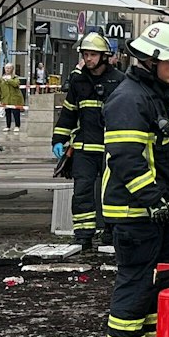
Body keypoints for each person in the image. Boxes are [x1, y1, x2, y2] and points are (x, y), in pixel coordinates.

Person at [101, 22, 169, 337]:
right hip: (134, 211)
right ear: (152, 60)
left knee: (156, 281)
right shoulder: (130, 99)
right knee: (137, 279)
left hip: (150, 211)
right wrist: (153, 199)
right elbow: (128, 159)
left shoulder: (150, 96)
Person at [54, 33, 127, 251]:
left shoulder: (120, 80)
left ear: (104, 56)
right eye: (86, 55)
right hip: (84, 147)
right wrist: (59, 138)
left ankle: (111, 231)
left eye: (93, 55)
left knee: (112, 191)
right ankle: (83, 235)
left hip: (110, 147)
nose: (88, 59)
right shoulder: (78, 80)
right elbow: (69, 113)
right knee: (83, 191)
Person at [0, 65, 24, 131]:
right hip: (5, 99)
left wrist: (9, 80)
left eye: (9, 68)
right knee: (7, 113)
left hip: (15, 99)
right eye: (6, 68)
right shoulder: (1, 79)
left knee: (16, 113)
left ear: (12, 69)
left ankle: (17, 126)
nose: (7, 69)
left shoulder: (15, 77)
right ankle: (8, 126)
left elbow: (16, 84)